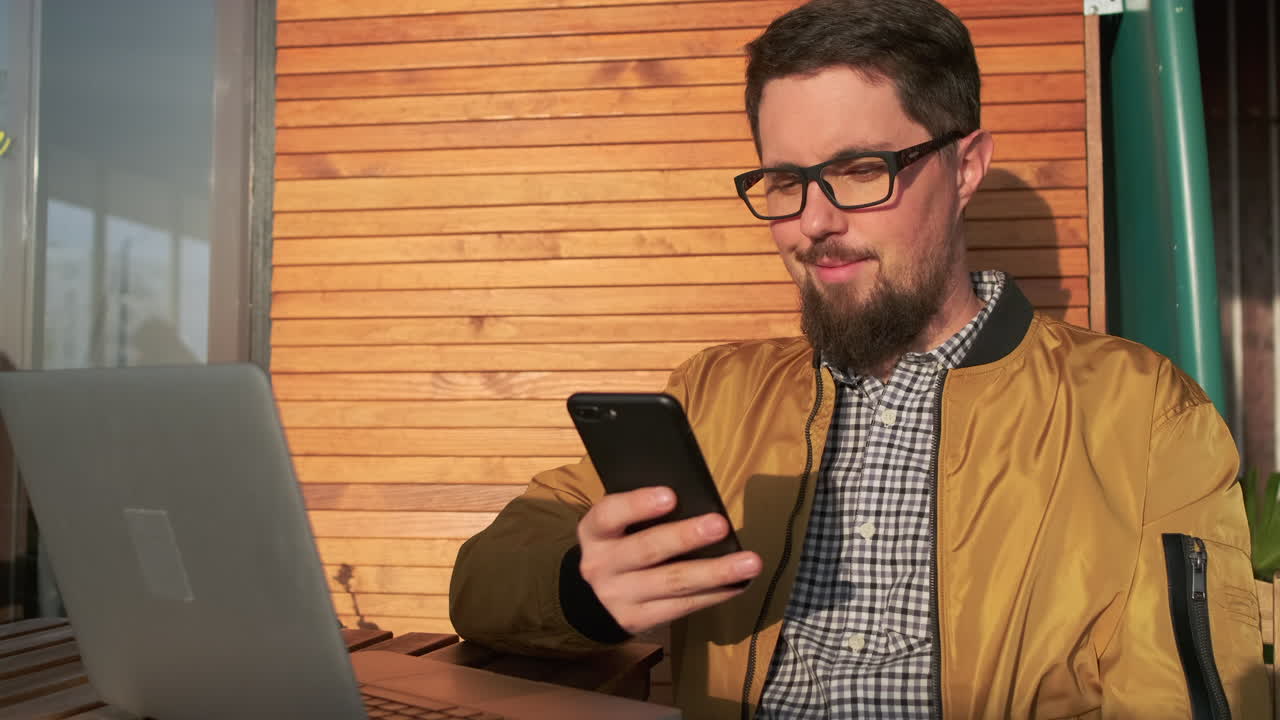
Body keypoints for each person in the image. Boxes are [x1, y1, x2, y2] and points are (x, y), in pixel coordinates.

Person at [449, 0, 1269, 717]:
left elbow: (1183, 696)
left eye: (859, 170)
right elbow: (485, 578)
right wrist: (582, 591)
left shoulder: (1144, 417)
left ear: (966, 166)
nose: (815, 221)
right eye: (785, 181)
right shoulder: (714, 395)